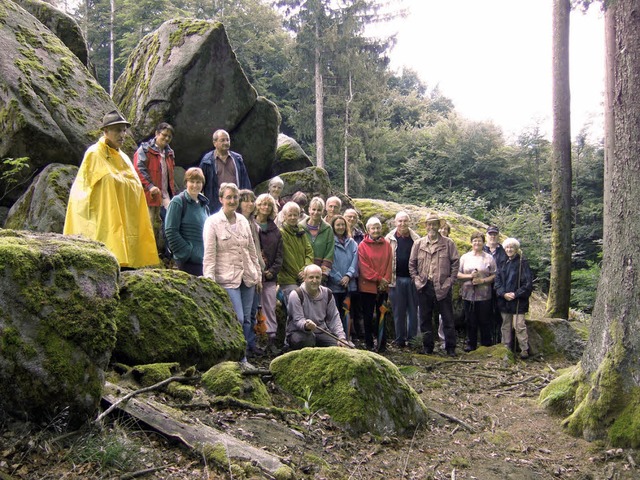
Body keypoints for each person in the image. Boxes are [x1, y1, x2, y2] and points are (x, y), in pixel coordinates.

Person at [64, 110, 160, 268]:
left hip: (123, 221)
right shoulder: (94, 153)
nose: (122, 134)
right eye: (117, 130)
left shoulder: (123, 157)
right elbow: (85, 191)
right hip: (102, 220)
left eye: (124, 130)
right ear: (105, 131)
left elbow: (134, 185)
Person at [203, 183, 262, 359]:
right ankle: (234, 355)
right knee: (236, 317)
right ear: (221, 199)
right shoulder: (212, 222)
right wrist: (209, 280)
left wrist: (257, 274)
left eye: (235, 197)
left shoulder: (243, 221)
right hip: (226, 278)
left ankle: (242, 356)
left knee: (247, 319)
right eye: (228, 197)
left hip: (247, 276)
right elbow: (209, 254)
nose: (232, 201)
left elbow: (252, 250)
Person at [409, 213, 460, 356]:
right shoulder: (418, 244)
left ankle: (450, 348)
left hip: (443, 287)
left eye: (434, 224)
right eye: (429, 224)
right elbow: (412, 264)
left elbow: (455, 264)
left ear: (439, 225)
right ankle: (427, 347)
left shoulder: (448, 243)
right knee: (425, 319)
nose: (432, 226)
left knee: (448, 318)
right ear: (425, 226)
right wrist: (417, 280)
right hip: (424, 286)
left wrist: (450, 281)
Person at [133, 122, 176, 258]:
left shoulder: (169, 153)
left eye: (169, 136)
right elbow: (138, 169)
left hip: (165, 195)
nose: (167, 138)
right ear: (156, 134)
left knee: (169, 223)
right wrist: (150, 186)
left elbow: (170, 175)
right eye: (164, 135)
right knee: (149, 225)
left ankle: (165, 255)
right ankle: (145, 255)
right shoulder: (145, 150)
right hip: (149, 194)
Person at [286, 265, 348, 349]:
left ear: (321, 278)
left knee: (340, 347)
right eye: (311, 277)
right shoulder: (296, 294)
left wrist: (341, 337)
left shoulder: (327, 293)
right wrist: (306, 325)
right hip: (299, 333)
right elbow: (297, 320)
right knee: (307, 341)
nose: (314, 281)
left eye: (317, 277)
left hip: (321, 332)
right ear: (304, 278)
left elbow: (334, 318)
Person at [164, 167, 209, 275]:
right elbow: (170, 231)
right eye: (192, 181)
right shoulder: (178, 202)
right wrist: (186, 252)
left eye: (198, 182)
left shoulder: (204, 206)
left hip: (203, 262)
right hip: (186, 263)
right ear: (186, 183)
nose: (195, 185)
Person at [385, 211, 420, 348]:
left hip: (412, 280)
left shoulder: (416, 239)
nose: (402, 224)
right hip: (395, 279)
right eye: (400, 221)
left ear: (409, 222)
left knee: (413, 311)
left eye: (405, 221)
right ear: (395, 222)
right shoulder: (389, 238)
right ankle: (400, 340)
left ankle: (412, 341)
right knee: (398, 312)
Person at [494, 237, 533, 359]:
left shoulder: (523, 263)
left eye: (512, 247)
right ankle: (506, 347)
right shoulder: (502, 263)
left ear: (516, 249)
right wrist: (503, 293)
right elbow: (497, 282)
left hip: (518, 302)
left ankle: (524, 349)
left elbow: (528, 284)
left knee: (519, 325)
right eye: (507, 247)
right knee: (505, 325)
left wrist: (516, 294)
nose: (509, 249)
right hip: (504, 301)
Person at [238, 189, 266, 357]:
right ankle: (245, 346)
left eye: (251, 200)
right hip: (244, 272)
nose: (250, 204)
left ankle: (251, 343)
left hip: (256, 270)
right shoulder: (239, 223)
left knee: (253, 309)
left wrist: (260, 272)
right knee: (245, 312)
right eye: (246, 200)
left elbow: (256, 250)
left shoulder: (253, 224)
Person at [458, 232, 497, 352]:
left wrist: (482, 280)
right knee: (470, 320)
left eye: (479, 240)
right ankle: (471, 344)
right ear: (471, 242)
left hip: (484, 295)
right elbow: (458, 274)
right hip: (468, 294)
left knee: (484, 320)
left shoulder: (489, 258)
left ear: (483, 242)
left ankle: (486, 344)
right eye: (474, 240)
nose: (477, 243)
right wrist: (470, 276)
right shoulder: (465, 257)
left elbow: (494, 275)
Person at [358, 217, 392, 351]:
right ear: (368, 230)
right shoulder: (362, 246)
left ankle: (382, 344)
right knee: (367, 316)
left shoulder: (387, 245)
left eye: (378, 227)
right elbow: (364, 268)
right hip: (367, 286)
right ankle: (369, 343)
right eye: (373, 228)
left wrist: (385, 280)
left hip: (383, 287)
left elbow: (390, 264)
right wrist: (379, 279)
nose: (376, 230)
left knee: (382, 314)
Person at [255, 193, 283, 353]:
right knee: (256, 308)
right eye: (262, 204)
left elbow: (280, 255)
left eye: (268, 205)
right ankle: (258, 339)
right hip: (254, 276)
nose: (265, 207)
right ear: (257, 206)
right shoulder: (250, 225)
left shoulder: (275, 230)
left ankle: (271, 338)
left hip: (271, 277)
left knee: (270, 307)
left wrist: (272, 271)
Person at [199, 129, 251, 213]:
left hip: (236, 203)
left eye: (228, 140)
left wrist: (248, 201)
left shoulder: (237, 159)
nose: (226, 142)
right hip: (215, 205)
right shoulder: (207, 161)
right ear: (214, 143)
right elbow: (200, 184)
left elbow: (245, 182)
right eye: (222, 140)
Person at [328, 215, 359, 336]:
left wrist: (348, 275)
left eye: (342, 225)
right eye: (338, 225)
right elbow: (328, 262)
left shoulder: (352, 243)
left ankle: (348, 337)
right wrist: (338, 277)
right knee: (335, 313)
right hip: (334, 285)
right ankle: (336, 337)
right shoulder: (329, 242)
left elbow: (355, 260)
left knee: (347, 311)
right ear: (333, 227)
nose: (340, 227)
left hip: (349, 284)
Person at [279, 201, 314, 306]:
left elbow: (309, 251)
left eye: (295, 215)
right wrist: (300, 274)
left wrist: (305, 270)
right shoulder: (281, 233)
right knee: (295, 309)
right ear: (284, 216)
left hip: (303, 276)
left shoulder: (301, 231)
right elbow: (287, 257)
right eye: (290, 215)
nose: (293, 217)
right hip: (289, 279)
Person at [299, 197, 335, 283]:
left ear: (323, 211)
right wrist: (302, 271)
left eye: (319, 210)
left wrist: (323, 274)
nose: (316, 212)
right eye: (313, 209)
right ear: (309, 209)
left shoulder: (328, 229)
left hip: (319, 276)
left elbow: (329, 253)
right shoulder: (299, 227)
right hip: (301, 273)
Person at [484, 225, 508, 344]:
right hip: (484, 287)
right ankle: (486, 340)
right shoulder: (481, 249)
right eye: (490, 234)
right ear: (486, 236)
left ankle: (499, 340)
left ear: (498, 236)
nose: (492, 236)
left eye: (495, 234)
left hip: (501, 287)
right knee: (486, 313)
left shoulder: (504, 251)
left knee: (500, 313)